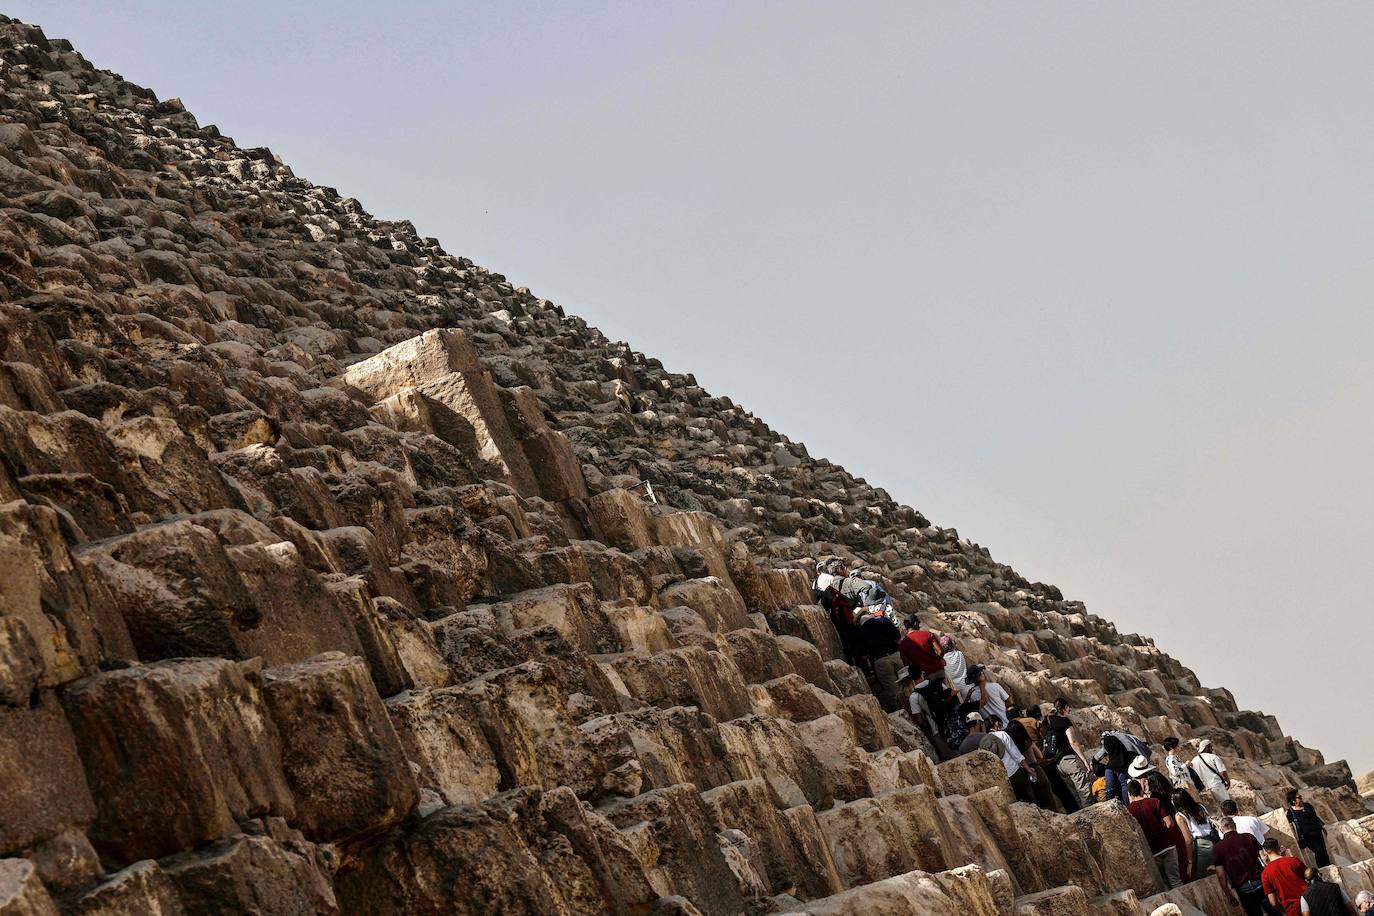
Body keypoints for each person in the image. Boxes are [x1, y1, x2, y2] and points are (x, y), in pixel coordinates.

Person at [1127, 778, 1183, 889]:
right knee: (1175, 881)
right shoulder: (1155, 802)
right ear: (1141, 790)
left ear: (1129, 794)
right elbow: (1170, 823)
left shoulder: (1129, 810)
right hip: (1167, 845)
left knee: (1163, 885)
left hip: (1151, 851)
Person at [1212, 816, 1269, 916]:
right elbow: (1264, 859)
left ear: (1221, 829)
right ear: (1235, 826)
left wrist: (1228, 895)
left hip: (1243, 889)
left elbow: (1221, 875)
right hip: (1260, 881)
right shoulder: (1248, 837)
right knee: (1274, 910)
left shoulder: (1217, 848)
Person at [1044, 699, 1093, 808]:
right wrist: (1084, 760)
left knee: (1075, 794)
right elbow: (1073, 742)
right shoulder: (1064, 721)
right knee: (1085, 792)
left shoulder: (1050, 723)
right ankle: (1093, 816)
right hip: (1070, 761)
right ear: (1065, 707)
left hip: (1059, 764)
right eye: (1068, 707)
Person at [1146, 770, 1193, 883]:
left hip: (1170, 831)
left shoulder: (1155, 798)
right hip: (1180, 824)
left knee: (1177, 862)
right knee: (1184, 855)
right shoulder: (1172, 793)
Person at [856, 601, 903, 712]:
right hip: (897, 654)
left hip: (880, 660)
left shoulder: (860, 632)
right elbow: (898, 639)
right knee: (908, 682)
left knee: (894, 691)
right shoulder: (885, 621)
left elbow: (863, 656)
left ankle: (905, 711)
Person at [1006, 717, 1059, 811]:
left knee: (1037, 804)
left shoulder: (1011, 746)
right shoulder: (1027, 741)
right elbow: (1040, 755)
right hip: (1036, 770)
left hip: (1024, 775)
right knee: (1049, 802)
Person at [1261, 837, 1310, 916]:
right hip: (1310, 902)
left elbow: (1273, 902)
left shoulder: (1265, 873)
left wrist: (1283, 910)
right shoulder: (1293, 860)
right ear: (1278, 848)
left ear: (1265, 852)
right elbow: (1310, 875)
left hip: (1292, 910)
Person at [1174, 790, 1217, 878]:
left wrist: (1190, 861)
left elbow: (1188, 840)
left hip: (1202, 845)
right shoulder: (1200, 806)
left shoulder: (1180, 815)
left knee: (1203, 876)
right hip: (1214, 839)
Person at [1285, 789, 1331, 869]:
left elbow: (1315, 817)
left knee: (1324, 850)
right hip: (1307, 836)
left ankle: (1328, 866)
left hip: (1317, 831)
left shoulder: (1307, 805)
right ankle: (1324, 868)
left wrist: (1322, 827)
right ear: (1293, 801)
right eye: (1299, 797)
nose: (1301, 798)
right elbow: (1289, 826)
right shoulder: (1291, 812)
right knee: (1318, 851)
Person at [1103, 730, 1151, 805]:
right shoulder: (1132, 755)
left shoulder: (1110, 766)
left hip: (1128, 801)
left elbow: (1110, 788)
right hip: (1143, 794)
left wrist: (1109, 804)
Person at [1191, 739, 1232, 806]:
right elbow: (1223, 772)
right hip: (1216, 785)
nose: (1212, 749)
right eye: (1210, 747)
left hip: (1205, 789)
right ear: (1206, 747)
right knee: (1226, 805)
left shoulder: (1194, 761)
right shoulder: (1213, 757)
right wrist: (1228, 781)